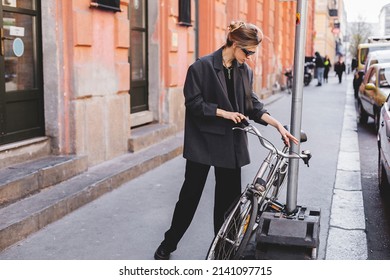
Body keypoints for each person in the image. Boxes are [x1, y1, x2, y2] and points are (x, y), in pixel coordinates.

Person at [154, 21, 299, 260]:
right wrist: (224, 113)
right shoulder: (201, 67)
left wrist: (278, 126)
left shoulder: (245, 71)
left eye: (253, 53)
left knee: (229, 205)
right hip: (203, 142)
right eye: (248, 52)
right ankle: (168, 244)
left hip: (230, 144)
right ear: (234, 43)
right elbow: (193, 103)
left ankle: (223, 253)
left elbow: (253, 106)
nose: (250, 58)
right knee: (189, 198)